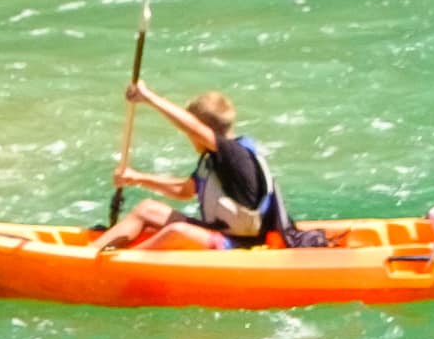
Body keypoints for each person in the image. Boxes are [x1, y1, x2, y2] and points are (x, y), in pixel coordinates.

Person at [109, 81, 296, 246]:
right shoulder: (214, 159)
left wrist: (149, 97)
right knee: (147, 209)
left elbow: (195, 128)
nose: (190, 137)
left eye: (190, 133)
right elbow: (184, 191)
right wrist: (136, 178)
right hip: (219, 232)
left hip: (239, 244)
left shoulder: (234, 155)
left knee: (176, 232)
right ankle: (90, 255)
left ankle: (115, 268)